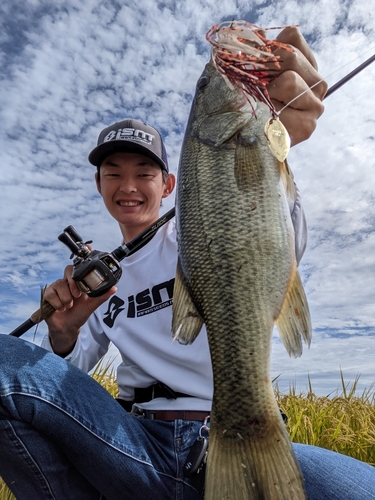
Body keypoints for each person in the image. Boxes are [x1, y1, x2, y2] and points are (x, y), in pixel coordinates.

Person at [0, 28, 374, 500]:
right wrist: (64, 331)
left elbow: (278, 242)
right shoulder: (95, 280)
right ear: (98, 185)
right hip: (131, 441)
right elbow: (67, 374)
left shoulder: (198, 230)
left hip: (227, 427)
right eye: (113, 174)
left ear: (171, 183)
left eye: (144, 173)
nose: (128, 185)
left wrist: (276, 146)